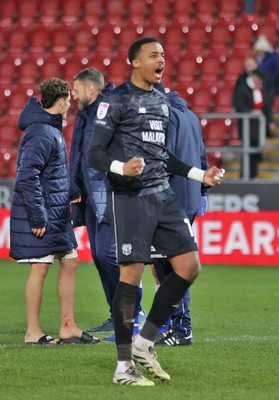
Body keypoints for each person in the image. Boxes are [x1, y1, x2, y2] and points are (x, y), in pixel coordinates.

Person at [87, 37, 225, 386]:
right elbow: (95, 155)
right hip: (131, 198)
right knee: (131, 275)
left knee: (189, 267)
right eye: (153, 55)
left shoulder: (162, 102)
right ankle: (123, 368)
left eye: (163, 54)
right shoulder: (114, 101)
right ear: (135, 62)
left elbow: (164, 156)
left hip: (163, 195)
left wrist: (199, 174)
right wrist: (121, 168)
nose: (161, 59)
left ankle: (144, 344)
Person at [9, 77, 99, 345]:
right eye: (68, 100)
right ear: (60, 102)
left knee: (70, 261)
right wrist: (37, 216)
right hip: (43, 215)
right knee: (39, 268)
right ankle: (33, 332)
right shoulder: (41, 132)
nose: (70, 104)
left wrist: (74, 191)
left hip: (57, 214)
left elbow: (50, 177)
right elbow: (27, 177)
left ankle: (68, 326)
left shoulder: (49, 130)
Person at [70, 68, 145, 339]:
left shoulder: (110, 110)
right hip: (90, 196)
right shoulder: (85, 114)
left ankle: (133, 313)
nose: (73, 95)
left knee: (109, 255)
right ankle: (117, 315)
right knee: (100, 258)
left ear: (91, 90)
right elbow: (80, 154)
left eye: (76, 89)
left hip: (110, 193)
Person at [152, 85, 209, 346]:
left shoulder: (165, 116)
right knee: (169, 264)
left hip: (170, 200)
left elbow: (165, 159)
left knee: (172, 267)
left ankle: (182, 328)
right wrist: (203, 191)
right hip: (189, 198)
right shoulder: (191, 116)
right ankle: (175, 324)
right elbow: (201, 156)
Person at [232, 68, 276, 178]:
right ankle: (245, 175)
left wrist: (270, 121)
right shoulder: (243, 89)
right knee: (247, 151)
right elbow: (239, 105)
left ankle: (254, 174)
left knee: (256, 151)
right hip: (247, 126)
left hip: (258, 127)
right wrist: (251, 112)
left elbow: (266, 108)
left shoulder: (260, 91)